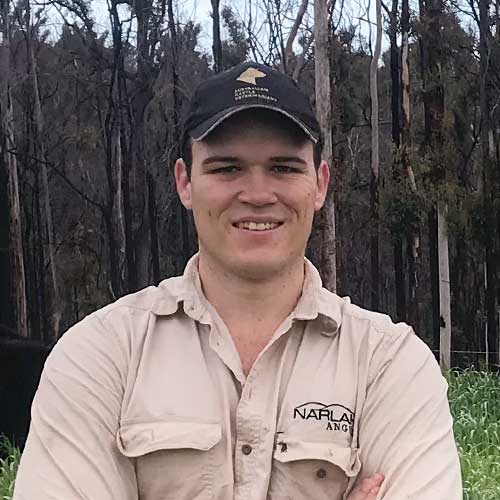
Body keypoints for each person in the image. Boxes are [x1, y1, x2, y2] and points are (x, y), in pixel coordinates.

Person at [13, 62, 462, 500]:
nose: (258, 194)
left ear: (320, 184)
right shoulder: (100, 355)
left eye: (284, 167)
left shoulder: (390, 365)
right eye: (227, 168)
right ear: (185, 182)